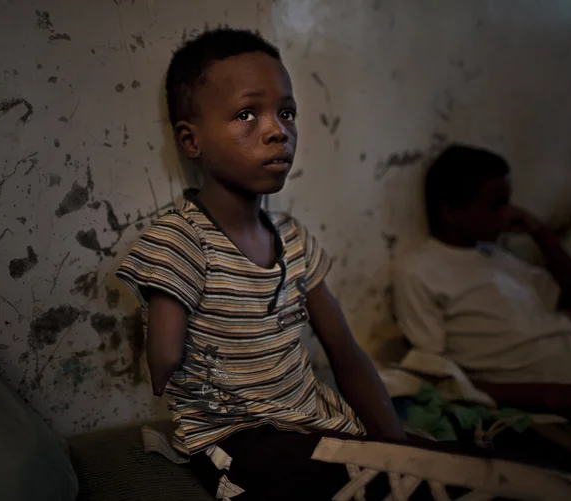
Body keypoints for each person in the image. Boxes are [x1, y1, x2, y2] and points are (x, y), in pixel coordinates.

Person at [116, 29, 405, 500]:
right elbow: (163, 358)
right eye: (247, 114)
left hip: (316, 420)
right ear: (191, 140)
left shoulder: (293, 239)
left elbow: (346, 353)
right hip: (239, 441)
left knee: (427, 473)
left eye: (286, 113)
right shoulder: (180, 240)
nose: (277, 130)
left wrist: (398, 445)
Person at [394, 144, 571, 435]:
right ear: (451, 213)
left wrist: (540, 232)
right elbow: (442, 381)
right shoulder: (419, 271)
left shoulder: (495, 255)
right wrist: (556, 396)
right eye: (497, 205)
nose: (509, 215)